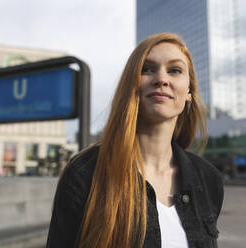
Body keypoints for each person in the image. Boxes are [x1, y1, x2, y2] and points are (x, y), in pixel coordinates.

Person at [46, 32, 224, 248]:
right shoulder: (86, 172)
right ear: (132, 83)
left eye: (175, 70)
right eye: (147, 69)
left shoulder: (208, 179)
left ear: (189, 91)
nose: (161, 79)